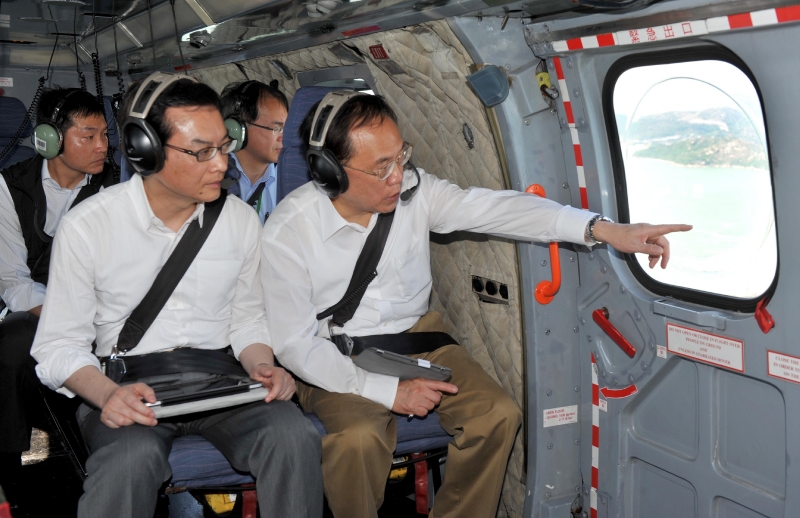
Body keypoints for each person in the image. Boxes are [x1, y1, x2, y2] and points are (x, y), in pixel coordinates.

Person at [260, 92, 691, 518]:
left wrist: (602, 229)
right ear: (330, 172)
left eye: (401, 157)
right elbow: (296, 345)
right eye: (381, 167)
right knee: (356, 439)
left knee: (497, 416)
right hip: (332, 353)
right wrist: (389, 392)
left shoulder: (416, 191)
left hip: (415, 340)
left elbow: (497, 209)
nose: (398, 177)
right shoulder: (288, 232)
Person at [31, 73, 322, 518]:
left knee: (293, 435)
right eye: (201, 152)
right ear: (145, 150)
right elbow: (57, 345)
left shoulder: (240, 220)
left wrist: (262, 365)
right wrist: (108, 395)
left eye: (223, 146)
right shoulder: (88, 227)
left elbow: (247, 319)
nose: (221, 164)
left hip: (222, 382)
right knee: (130, 459)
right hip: (126, 384)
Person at [0, 88, 116, 507]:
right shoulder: (9, 187)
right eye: (88, 136)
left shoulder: (115, 187)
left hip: (98, 306)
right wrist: (64, 316)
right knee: (14, 343)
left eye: (105, 134)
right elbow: (13, 279)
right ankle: (8, 467)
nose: (102, 146)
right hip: (35, 307)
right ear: (49, 139)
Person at [220, 80, 288, 224]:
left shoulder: (288, 178)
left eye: (285, 128)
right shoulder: (213, 177)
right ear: (237, 129)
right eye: (276, 129)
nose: (284, 137)